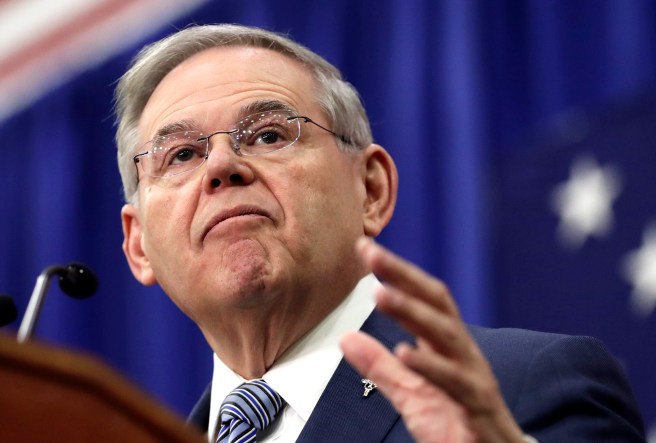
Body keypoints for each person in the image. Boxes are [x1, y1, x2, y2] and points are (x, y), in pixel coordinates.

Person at [115, 24, 645, 442]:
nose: (222, 165)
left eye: (269, 134)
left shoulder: (525, 390)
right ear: (139, 245)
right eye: (181, 154)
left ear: (370, 189)